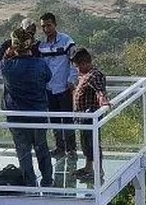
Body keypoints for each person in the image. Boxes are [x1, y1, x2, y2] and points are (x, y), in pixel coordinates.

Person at [0, 27, 53, 188]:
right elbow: (48, 77)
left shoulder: (7, 67)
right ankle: (48, 181)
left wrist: (6, 54)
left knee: (23, 152)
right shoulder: (40, 64)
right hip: (39, 114)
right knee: (42, 148)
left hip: (16, 116)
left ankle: (29, 184)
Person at [39, 12, 78, 159]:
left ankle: (71, 149)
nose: (46, 29)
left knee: (67, 119)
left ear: (55, 24)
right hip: (49, 88)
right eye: (43, 26)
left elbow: (74, 61)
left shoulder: (66, 41)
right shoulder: (42, 45)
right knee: (54, 119)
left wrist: (72, 79)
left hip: (64, 87)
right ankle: (59, 147)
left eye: (49, 25)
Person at [71, 48, 111, 181]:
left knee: (93, 143)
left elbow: (100, 91)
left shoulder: (94, 75)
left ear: (84, 63)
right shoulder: (85, 75)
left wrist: (104, 101)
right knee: (85, 143)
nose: (77, 69)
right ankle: (88, 167)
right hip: (83, 116)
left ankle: (98, 171)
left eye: (78, 66)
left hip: (91, 115)